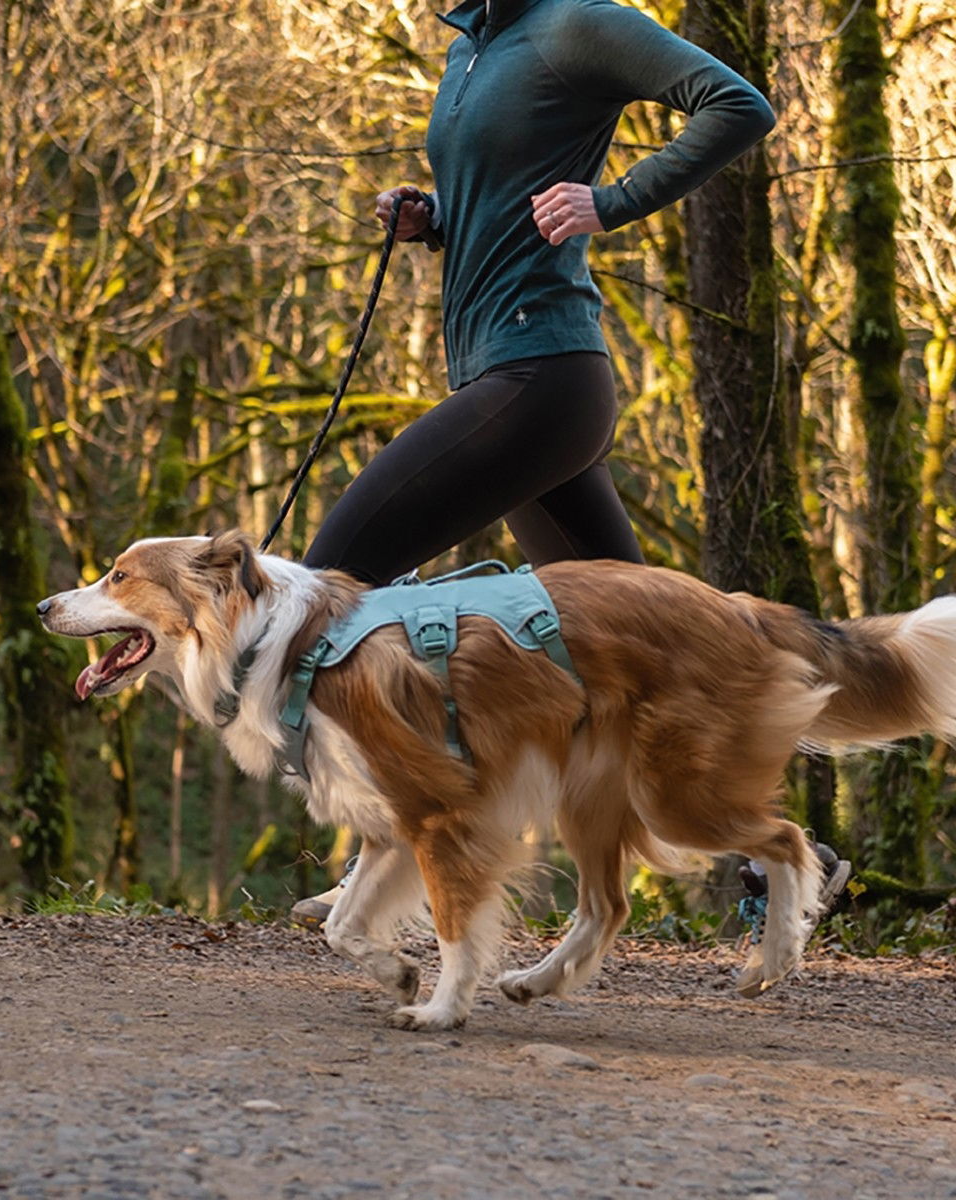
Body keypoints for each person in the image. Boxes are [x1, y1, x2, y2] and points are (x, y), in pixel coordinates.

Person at [292, 0, 778, 924]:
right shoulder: (470, 47)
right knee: (644, 653)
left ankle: (385, 852)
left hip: (541, 377)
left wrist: (613, 200)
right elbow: (508, 188)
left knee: (330, 579)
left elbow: (737, 103)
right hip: (508, 378)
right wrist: (434, 218)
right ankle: (781, 857)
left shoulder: (578, 24)